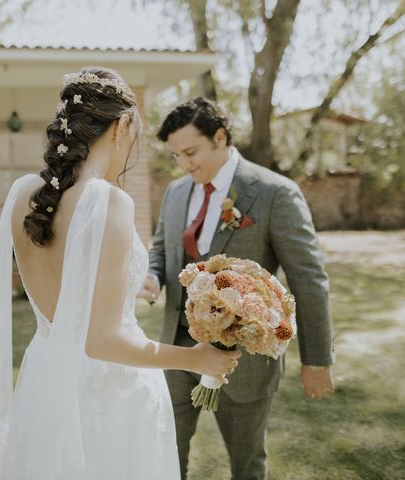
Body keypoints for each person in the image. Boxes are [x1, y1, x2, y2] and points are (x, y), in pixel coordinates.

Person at [0, 68, 241, 480]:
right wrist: (195, 359)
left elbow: (67, 291)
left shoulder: (23, 195)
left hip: (46, 381)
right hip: (110, 394)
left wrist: (126, 288)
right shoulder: (109, 202)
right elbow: (101, 341)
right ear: (121, 126)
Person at [139, 97, 335, 480]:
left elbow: (308, 279)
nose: (184, 164)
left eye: (191, 152)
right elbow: (161, 249)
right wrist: (153, 275)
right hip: (177, 350)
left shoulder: (275, 192)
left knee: (246, 465)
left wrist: (317, 360)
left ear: (221, 136)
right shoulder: (176, 193)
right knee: (165, 453)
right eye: (177, 155)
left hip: (246, 357)